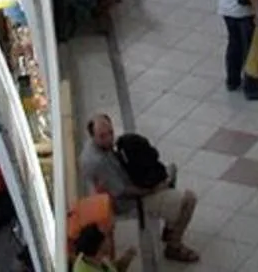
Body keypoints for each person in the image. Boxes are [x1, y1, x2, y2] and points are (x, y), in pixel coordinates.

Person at [78, 113, 201, 263]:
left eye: (110, 132)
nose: (109, 139)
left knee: (171, 171)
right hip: (129, 202)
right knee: (189, 199)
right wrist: (153, 190)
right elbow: (123, 191)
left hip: (130, 187)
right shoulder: (98, 162)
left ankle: (170, 228)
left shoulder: (96, 147)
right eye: (103, 136)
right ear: (93, 136)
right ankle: (174, 246)